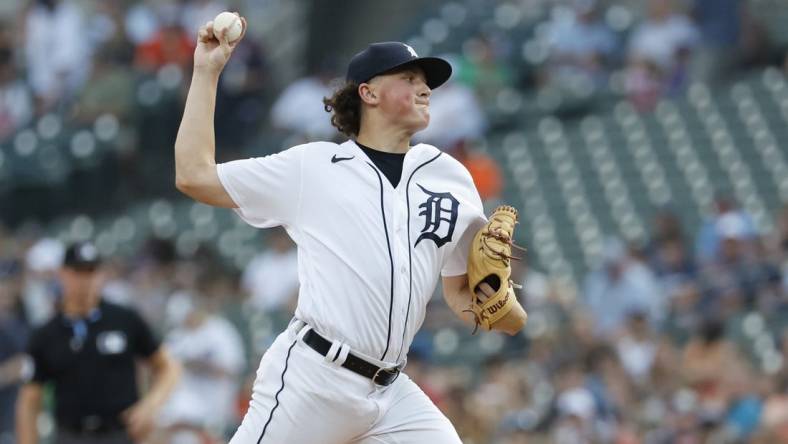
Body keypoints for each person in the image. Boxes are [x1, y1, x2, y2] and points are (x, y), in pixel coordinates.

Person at [174, 14, 527, 443]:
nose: (424, 88)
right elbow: (193, 175)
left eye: (427, 81)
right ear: (368, 92)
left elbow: (458, 289)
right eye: (410, 78)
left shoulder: (450, 175)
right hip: (314, 379)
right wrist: (206, 70)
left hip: (390, 392)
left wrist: (496, 306)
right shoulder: (313, 167)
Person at [15, 241, 181, 444]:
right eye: (78, 271)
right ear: (63, 274)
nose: (86, 279)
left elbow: (169, 368)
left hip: (120, 434)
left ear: (101, 274)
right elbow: (29, 402)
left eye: (91, 271)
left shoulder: (124, 319)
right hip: (71, 436)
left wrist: (150, 406)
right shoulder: (46, 334)